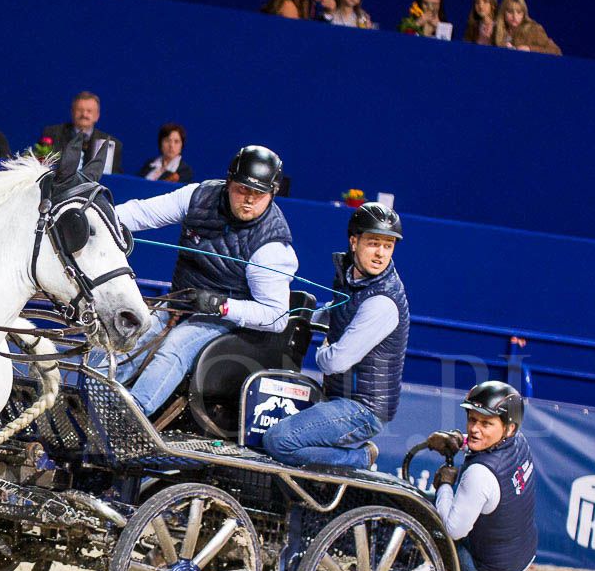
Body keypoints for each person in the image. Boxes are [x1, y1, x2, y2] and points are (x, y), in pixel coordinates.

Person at [106, 146, 297, 417]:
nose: (249, 200)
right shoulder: (198, 197)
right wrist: (97, 218)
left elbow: (276, 317)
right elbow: (142, 213)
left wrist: (222, 306)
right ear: (229, 182)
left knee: (176, 346)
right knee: (133, 330)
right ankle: (92, 392)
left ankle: (129, 416)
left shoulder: (271, 248)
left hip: (229, 320)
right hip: (182, 300)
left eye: (259, 194)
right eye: (242, 189)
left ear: (273, 193)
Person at [263, 204, 407, 470]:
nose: (380, 253)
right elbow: (340, 310)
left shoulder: (382, 302)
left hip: (363, 410)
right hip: (340, 397)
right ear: (354, 242)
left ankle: (360, 458)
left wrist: (324, 348)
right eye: (373, 243)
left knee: (279, 441)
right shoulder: (350, 277)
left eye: (388, 246)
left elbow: (334, 362)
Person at [427, 381, 538, 571]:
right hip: (520, 555)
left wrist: (445, 484)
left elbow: (452, 530)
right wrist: (460, 440)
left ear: (509, 428)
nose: (474, 429)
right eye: (472, 419)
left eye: (486, 424)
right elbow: (489, 446)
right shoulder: (518, 440)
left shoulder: (480, 474)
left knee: (422, 526)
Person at [41, 92, 123, 173]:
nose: (84, 114)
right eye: (80, 110)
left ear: (97, 116)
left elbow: (113, 178)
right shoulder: (53, 134)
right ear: (72, 112)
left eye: (89, 111)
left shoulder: (110, 144)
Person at [495, 0, 562, 55]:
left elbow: (556, 51)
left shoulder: (533, 29)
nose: (515, 16)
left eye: (519, 12)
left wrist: (530, 49)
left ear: (524, 13)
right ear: (503, 13)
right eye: (510, 12)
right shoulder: (499, 30)